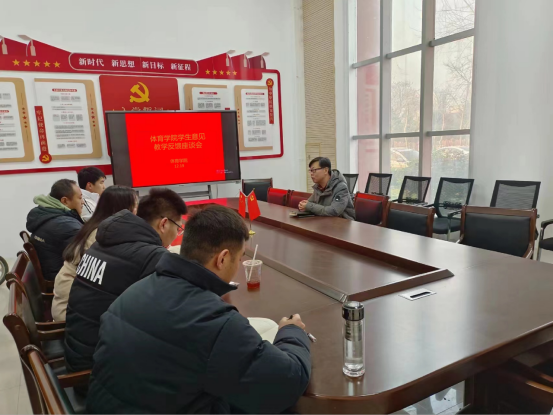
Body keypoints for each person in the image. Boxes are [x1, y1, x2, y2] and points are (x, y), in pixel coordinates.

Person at [86, 205, 311, 415]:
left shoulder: (133, 291)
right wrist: (292, 331)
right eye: (239, 257)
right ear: (223, 258)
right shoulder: (213, 321)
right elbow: (288, 382)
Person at [64, 188, 187, 373]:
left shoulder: (102, 242)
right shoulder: (151, 256)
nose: (177, 234)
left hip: (78, 353)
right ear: (164, 224)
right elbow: (171, 320)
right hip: (98, 370)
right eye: (178, 228)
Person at [51, 185, 138, 321]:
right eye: (135, 206)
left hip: (70, 301)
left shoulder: (95, 226)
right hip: (71, 313)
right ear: (124, 210)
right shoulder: (102, 235)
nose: (137, 211)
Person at [26, 179, 84, 281]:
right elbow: (87, 258)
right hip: (61, 279)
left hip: (51, 271)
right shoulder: (66, 225)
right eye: (80, 198)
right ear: (65, 201)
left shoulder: (43, 213)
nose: (82, 202)